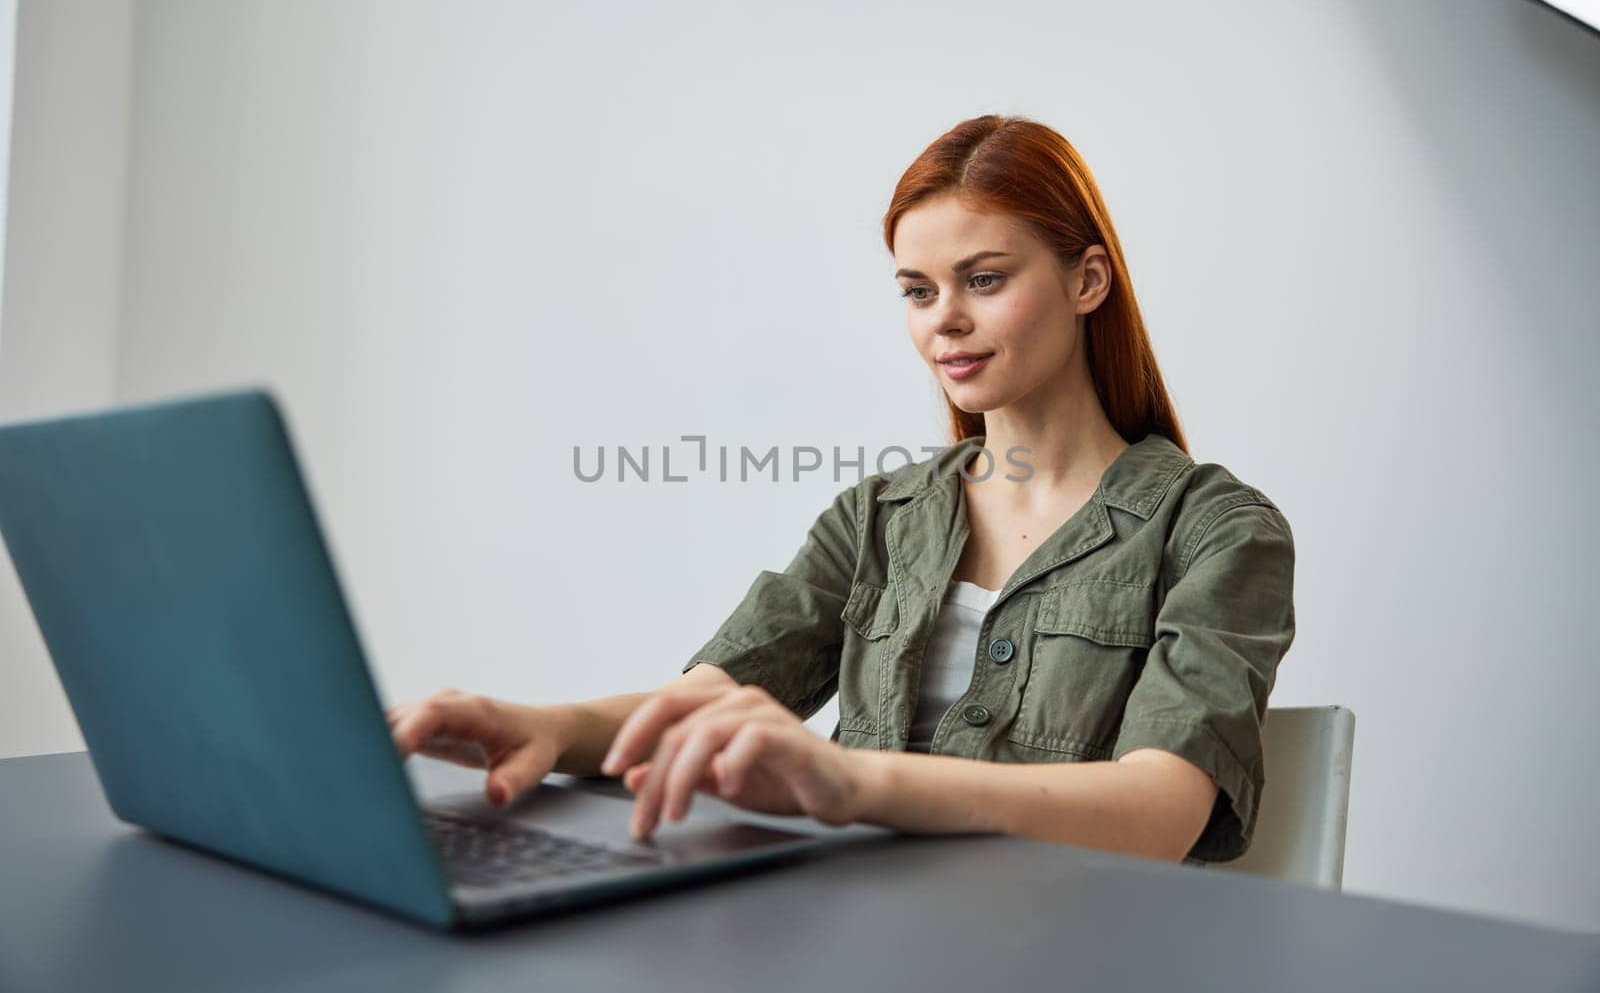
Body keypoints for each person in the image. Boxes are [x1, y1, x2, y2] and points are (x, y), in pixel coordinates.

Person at [386, 114, 1296, 866]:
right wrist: (537, 725)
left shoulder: (1216, 530)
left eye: (984, 279)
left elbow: (1158, 810)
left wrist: (852, 783)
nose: (946, 319)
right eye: (917, 289)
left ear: (1087, 279)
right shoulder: (878, 517)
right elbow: (711, 696)